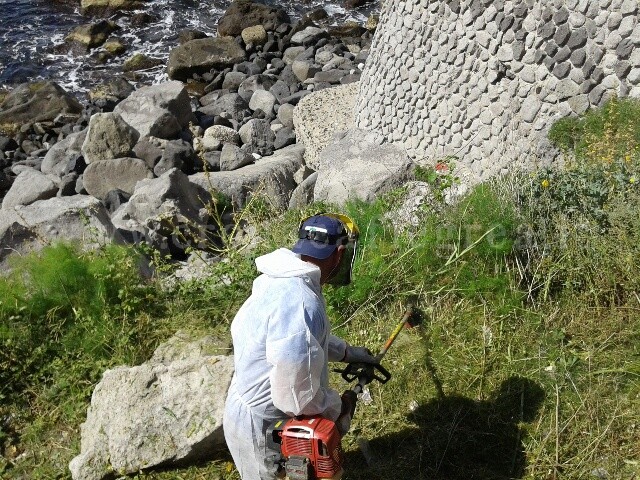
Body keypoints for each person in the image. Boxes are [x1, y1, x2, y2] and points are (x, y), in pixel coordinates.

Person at [223, 213, 378, 480]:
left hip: (255, 411)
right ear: (340, 253)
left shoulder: (282, 280)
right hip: (264, 427)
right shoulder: (300, 302)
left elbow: (304, 342)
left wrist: (349, 353)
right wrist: (338, 407)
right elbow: (297, 396)